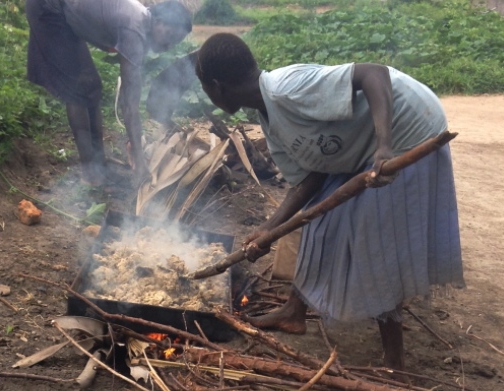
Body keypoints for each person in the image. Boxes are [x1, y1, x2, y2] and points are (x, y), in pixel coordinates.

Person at [195, 33, 465, 371]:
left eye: (204, 89)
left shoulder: (286, 88)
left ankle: (395, 360)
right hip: (361, 145)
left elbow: (374, 73)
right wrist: (269, 228)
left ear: (217, 86)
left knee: (375, 238)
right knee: (318, 219)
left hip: (407, 129)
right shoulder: (270, 119)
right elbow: (312, 179)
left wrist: (385, 145)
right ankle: (294, 312)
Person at [26, 0, 193, 186]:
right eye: (169, 36)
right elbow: (129, 104)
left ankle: (99, 164)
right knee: (77, 89)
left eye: (174, 43)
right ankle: (90, 173)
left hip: (62, 11)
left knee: (91, 85)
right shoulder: (134, 28)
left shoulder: (141, 24)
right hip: (49, 8)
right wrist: (139, 160)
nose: (168, 47)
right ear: (158, 20)